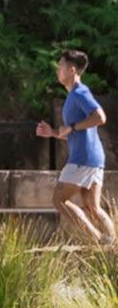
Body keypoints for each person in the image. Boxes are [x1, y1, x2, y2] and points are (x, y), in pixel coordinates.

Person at [36, 49, 114, 243]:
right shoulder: (73, 96)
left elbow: (100, 117)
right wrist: (54, 133)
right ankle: (113, 245)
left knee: (59, 200)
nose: (57, 70)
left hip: (83, 159)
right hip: (93, 158)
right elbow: (75, 133)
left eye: (60, 66)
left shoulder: (80, 92)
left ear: (72, 70)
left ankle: (99, 240)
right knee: (92, 207)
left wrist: (71, 126)